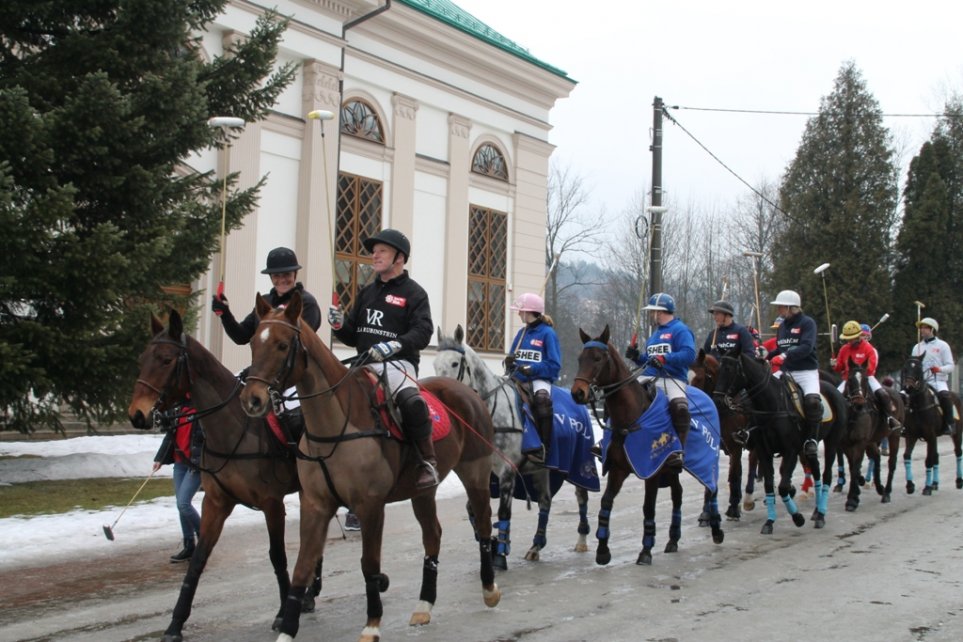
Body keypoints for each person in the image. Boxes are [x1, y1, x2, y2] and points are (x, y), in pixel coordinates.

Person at [327, 228, 438, 488]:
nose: (374, 256)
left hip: (399, 364)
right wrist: (339, 325)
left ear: (399, 257)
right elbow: (353, 336)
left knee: (411, 403)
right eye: (374, 252)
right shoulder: (367, 292)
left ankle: (428, 461)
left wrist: (394, 345)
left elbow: (423, 332)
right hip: (364, 364)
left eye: (381, 251)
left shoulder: (415, 293)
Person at [625, 292, 695, 465]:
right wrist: (636, 357)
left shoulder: (680, 330)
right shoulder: (654, 335)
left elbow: (689, 354)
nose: (651, 315)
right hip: (650, 377)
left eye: (653, 311)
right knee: (624, 397)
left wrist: (666, 359)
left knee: (679, 407)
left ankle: (678, 450)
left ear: (661, 311)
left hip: (673, 377)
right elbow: (650, 360)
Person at [211, 246, 321, 343]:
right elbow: (241, 337)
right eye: (276, 276)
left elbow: (303, 340)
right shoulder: (265, 302)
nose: (282, 280)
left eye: (287, 274)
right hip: (264, 365)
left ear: (295, 275)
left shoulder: (306, 302)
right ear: (271, 277)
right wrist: (225, 314)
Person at [505, 292, 561, 463]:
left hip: (539, 380)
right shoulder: (522, 333)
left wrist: (532, 369)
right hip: (517, 378)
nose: (518, 313)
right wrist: (509, 362)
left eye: (520, 311)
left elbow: (554, 365)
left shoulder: (548, 333)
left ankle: (544, 447)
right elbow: (513, 356)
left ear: (529, 312)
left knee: (542, 400)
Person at [766, 290, 821, 456]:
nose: (779, 311)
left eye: (781, 307)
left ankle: (811, 439)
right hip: (786, 371)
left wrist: (784, 355)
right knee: (764, 391)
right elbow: (780, 347)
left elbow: (806, 347)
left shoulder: (807, 323)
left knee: (812, 402)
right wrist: (766, 355)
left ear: (791, 307)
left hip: (806, 371)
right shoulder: (782, 327)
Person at [153, 400, 203, 563]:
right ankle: (189, 546)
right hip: (180, 464)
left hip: (195, 464)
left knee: (183, 504)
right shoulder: (178, 409)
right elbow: (170, 436)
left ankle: (205, 536)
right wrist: (160, 458)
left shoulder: (203, 409)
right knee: (181, 505)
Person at [832, 320, 901, 430]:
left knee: (882, 394)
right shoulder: (844, 349)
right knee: (834, 396)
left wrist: (859, 373)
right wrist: (835, 364)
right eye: (847, 338)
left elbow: (871, 368)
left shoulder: (869, 349)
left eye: (852, 338)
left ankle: (890, 418)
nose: (849, 340)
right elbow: (839, 367)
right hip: (849, 379)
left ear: (858, 336)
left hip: (867, 378)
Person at [911, 317, 956, 435]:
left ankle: (949, 424)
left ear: (932, 329)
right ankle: (907, 425)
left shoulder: (943, 345)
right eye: (921, 328)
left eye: (925, 328)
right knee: (905, 396)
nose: (922, 330)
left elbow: (951, 366)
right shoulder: (917, 347)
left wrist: (939, 369)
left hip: (938, 381)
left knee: (945, 396)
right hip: (921, 382)